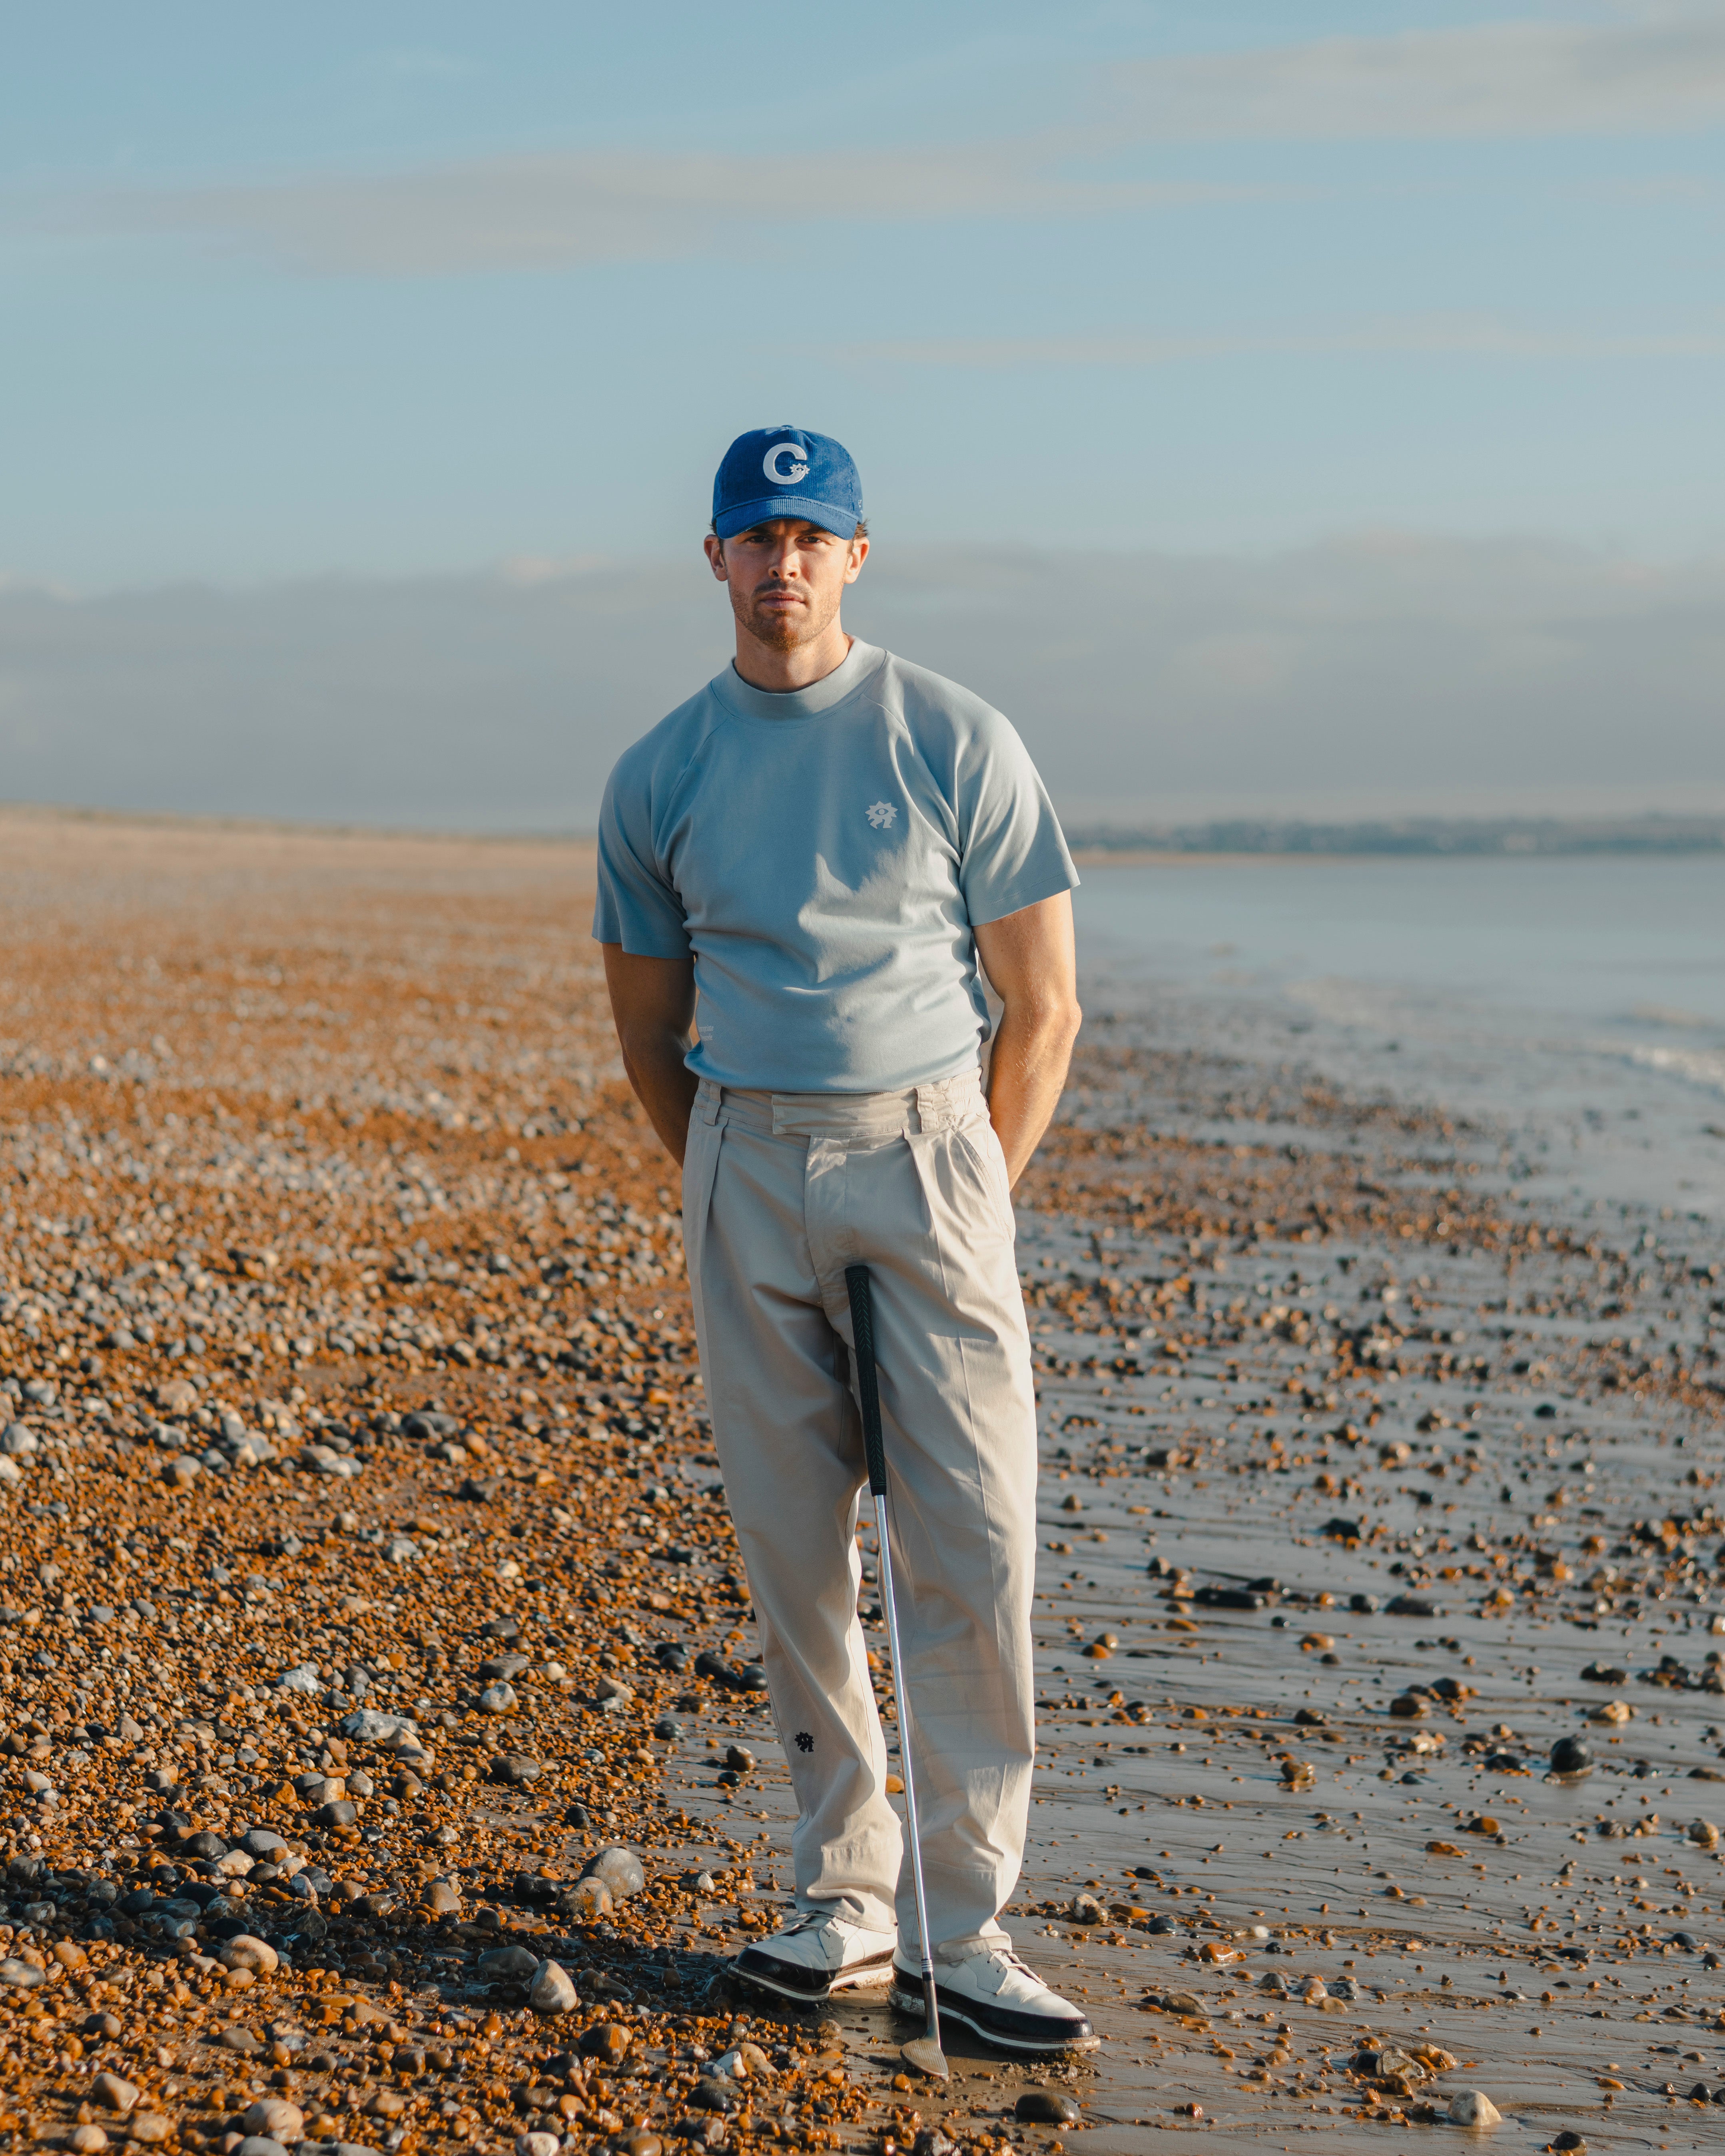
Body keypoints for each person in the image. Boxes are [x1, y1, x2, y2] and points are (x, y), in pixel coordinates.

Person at [594, 426, 1089, 2052]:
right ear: (716, 560)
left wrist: (971, 1190)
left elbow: (1042, 1002)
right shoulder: (658, 773)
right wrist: (732, 1176)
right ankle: (844, 1897)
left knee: (976, 1536)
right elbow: (649, 1027)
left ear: (856, 555)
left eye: (813, 535)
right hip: (744, 1157)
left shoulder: (950, 734)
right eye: (756, 536)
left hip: (932, 1150)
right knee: (793, 1544)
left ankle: (969, 1923)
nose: (783, 563)